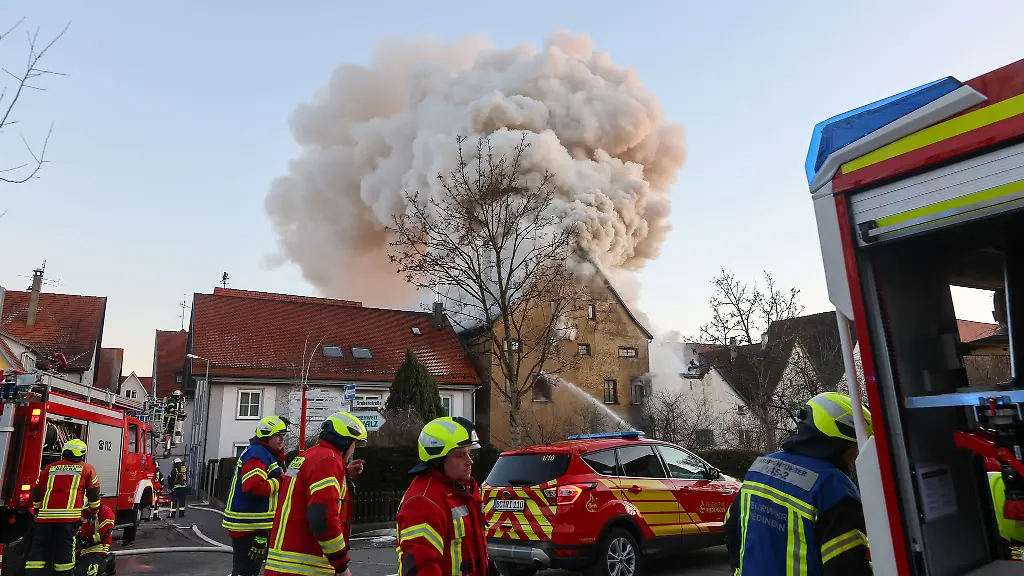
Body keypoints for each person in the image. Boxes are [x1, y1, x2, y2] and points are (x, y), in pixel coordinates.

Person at [725, 392, 873, 575]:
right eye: (855, 444)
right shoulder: (834, 488)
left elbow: (732, 526)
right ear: (840, 441)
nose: (857, 454)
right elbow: (847, 566)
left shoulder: (761, 467)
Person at [265, 411, 368, 576]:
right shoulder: (329, 461)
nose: (354, 448)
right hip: (304, 566)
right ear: (346, 441)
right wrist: (341, 565)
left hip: (285, 564)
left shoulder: (308, 456)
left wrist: (344, 473)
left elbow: (304, 490)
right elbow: (322, 516)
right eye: (355, 443)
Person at [395, 416, 490, 576]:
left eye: (469, 453)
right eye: (460, 455)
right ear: (438, 459)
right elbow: (421, 566)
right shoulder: (423, 501)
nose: (469, 461)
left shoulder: (461, 490)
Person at [223, 415, 290, 576]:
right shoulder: (257, 454)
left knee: (249, 570)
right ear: (266, 437)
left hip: (255, 524)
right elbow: (254, 488)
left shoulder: (265, 453)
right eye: (277, 435)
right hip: (248, 526)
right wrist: (281, 480)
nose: (282, 440)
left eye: (283, 436)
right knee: (245, 571)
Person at [25, 439, 101, 575]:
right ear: (82, 454)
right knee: (65, 551)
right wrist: (91, 511)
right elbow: (94, 494)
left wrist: (37, 509)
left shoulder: (50, 468)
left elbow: (36, 490)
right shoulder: (87, 469)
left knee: (38, 549)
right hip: (68, 519)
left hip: (44, 518)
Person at [76, 501, 116, 576]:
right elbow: (79, 526)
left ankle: (108, 561)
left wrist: (88, 540)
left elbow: (104, 535)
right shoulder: (85, 512)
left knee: (87, 572)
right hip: (83, 549)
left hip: (98, 547)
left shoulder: (106, 512)